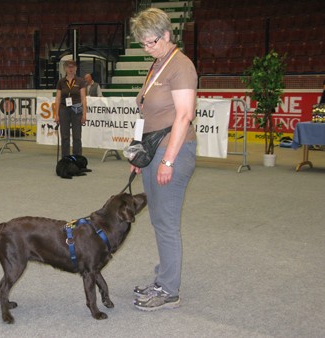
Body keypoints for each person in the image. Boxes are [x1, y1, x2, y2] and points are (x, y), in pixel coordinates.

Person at [129, 8, 198, 311]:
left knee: (167, 223)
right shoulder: (158, 64)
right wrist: (137, 152)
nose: (147, 48)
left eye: (151, 42)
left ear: (167, 35)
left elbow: (184, 115)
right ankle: (163, 279)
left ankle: (170, 291)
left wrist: (168, 161)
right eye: (142, 44)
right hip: (152, 149)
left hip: (174, 150)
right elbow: (146, 113)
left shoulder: (180, 66)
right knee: (158, 220)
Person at [54, 60, 87, 157]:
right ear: (65, 69)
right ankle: (65, 158)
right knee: (65, 136)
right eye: (69, 67)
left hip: (76, 110)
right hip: (64, 109)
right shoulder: (61, 82)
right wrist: (56, 114)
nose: (71, 69)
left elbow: (83, 99)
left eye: (73, 67)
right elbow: (58, 98)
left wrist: (84, 114)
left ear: (76, 68)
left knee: (77, 136)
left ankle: (77, 158)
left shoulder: (80, 81)